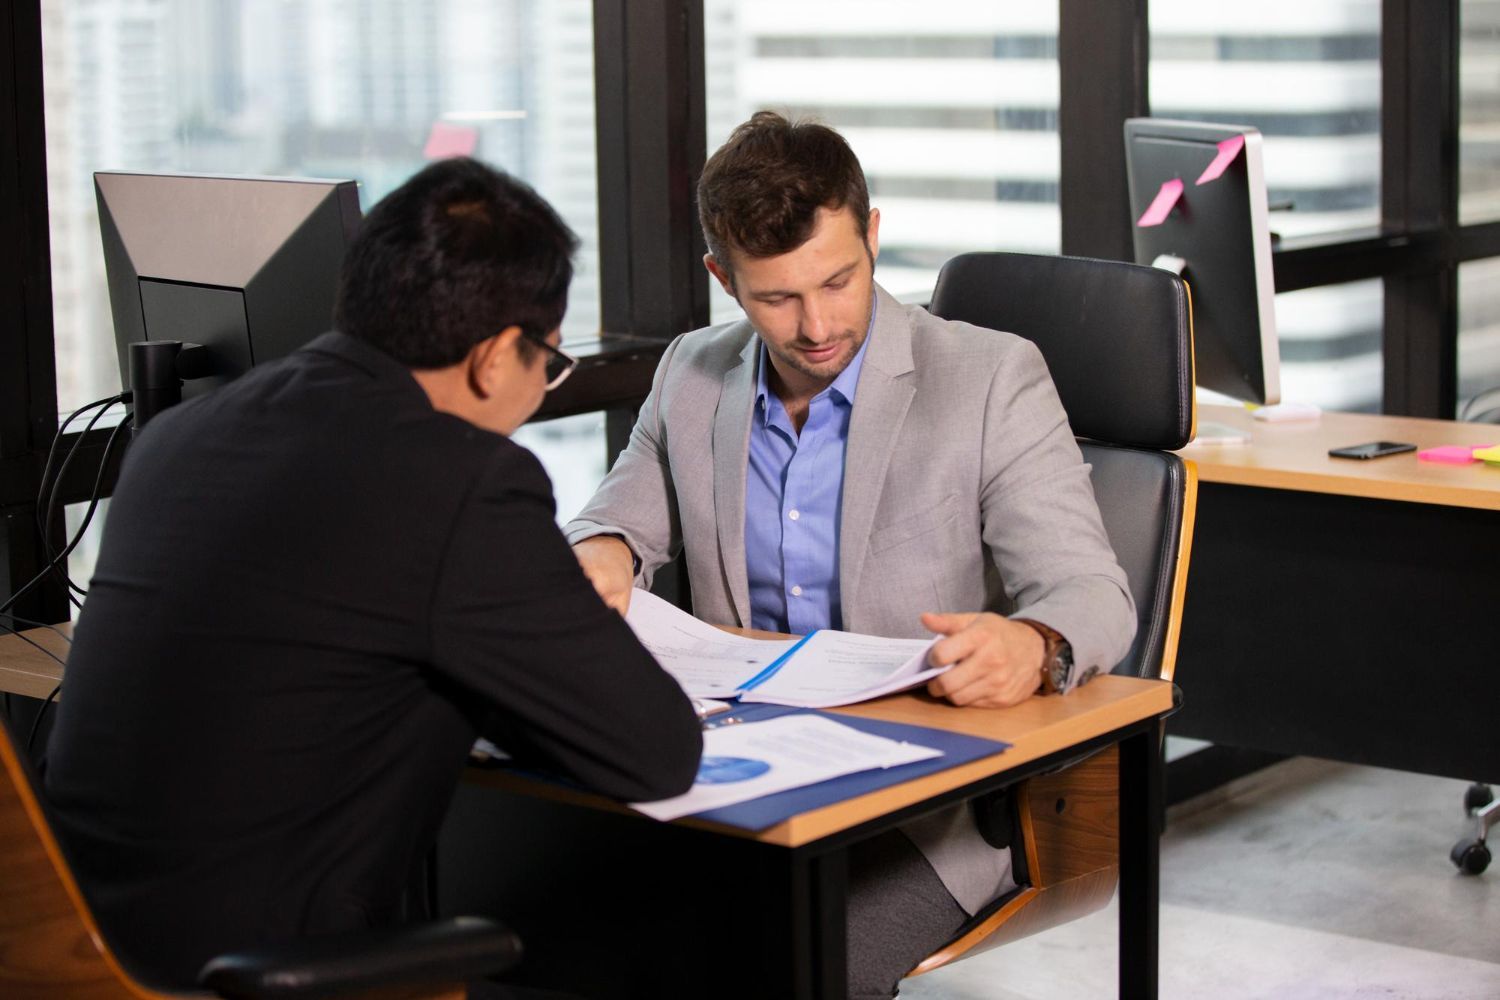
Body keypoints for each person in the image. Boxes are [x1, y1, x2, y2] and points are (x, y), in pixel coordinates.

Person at [43, 157, 701, 989]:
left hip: (68, 956)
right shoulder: (460, 481)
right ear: (498, 356)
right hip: (266, 976)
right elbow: (657, 752)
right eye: (549, 362)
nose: (542, 387)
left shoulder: (179, 437)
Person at [564, 112, 1135, 999]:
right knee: (552, 923)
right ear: (724, 278)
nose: (818, 324)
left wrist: (1035, 644)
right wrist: (598, 551)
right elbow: (614, 523)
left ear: (873, 234)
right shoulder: (691, 374)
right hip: (740, 784)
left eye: (839, 279)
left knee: (776, 971)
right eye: (776, 298)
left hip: (924, 810)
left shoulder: (989, 378)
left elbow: (1090, 590)